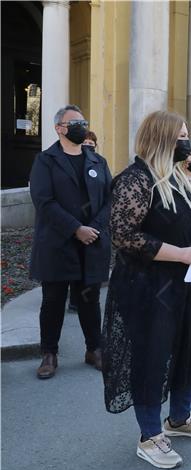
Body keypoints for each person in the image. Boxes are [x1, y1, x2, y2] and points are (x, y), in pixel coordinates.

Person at [102, 110, 191, 469]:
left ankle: (180, 419)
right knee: (152, 359)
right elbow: (124, 237)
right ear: (161, 138)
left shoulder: (183, 179)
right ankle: (150, 436)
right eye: (181, 135)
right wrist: (182, 254)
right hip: (147, 287)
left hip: (187, 284)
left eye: (187, 135)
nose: (187, 141)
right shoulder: (134, 180)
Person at [28, 106, 111, 379]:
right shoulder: (46, 160)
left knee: (90, 299)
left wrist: (94, 229)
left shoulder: (97, 161)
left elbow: (110, 201)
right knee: (53, 301)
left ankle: (94, 349)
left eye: (84, 122)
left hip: (92, 243)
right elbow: (43, 201)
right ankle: (49, 354)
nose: (82, 126)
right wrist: (76, 229)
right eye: (75, 123)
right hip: (58, 243)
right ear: (59, 128)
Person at [66, 129, 102, 314]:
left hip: (94, 226)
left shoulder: (100, 164)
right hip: (76, 225)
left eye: (91, 144)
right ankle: (73, 301)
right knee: (76, 266)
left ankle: (86, 300)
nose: (88, 147)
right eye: (85, 144)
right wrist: (76, 227)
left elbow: (108, 195)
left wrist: (97, 224)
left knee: (90, 267)